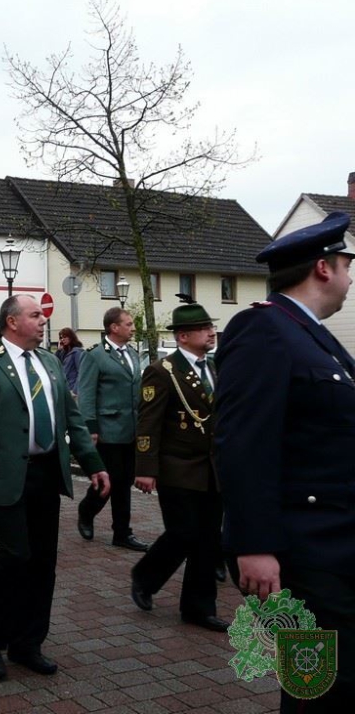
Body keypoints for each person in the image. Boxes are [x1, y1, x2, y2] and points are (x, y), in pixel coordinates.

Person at [215, 211, 355, 712]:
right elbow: (241, 443)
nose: (349, 275)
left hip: (334, 543)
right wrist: (253, 545)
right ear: (323, 267)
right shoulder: (263, 328)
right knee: (316, 687)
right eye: (346, 263)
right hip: (302, 552)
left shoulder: (311, 334)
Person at [0, 295, 108, 680]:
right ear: (12, 321)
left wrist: (94, 464)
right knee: (14, 557)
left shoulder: (50, 362)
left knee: (43, 562)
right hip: (5, 476)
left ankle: (27, 643)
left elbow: (73, 420)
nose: (43, 320)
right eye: (35, 315)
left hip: (47, 473)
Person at [130, 302, 227, 632]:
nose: (211, 332)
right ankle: (145, 576)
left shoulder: (212, 368)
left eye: (210, 327)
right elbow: (148, 423)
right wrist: (145, 468)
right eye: (204, 328)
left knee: (208, 539)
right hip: (177, 468)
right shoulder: (162, 370)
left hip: (211, 468)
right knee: (183, 532)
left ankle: (199, 608)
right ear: (184, 336)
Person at [76, 308, 148, 551]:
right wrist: (91, 426)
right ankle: (87, 510)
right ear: (114, 327)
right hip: (107, 430)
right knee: (109, 481)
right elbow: (85, 393)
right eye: (128, 324)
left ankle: (122, 533)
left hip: (130, 430)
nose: (133, 327)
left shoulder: (132, 353)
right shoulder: (96, 356)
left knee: (124, 481)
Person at [54, 328, 84, 395]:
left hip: (73, 390)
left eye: (65, 337)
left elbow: (81, 372)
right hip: (65, 389)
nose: (62, 339)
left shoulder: (77, 352)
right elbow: (54, 363)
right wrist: (58, 350)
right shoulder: (64, 352)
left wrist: (75, 390)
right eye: (61, 338)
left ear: (71, 337)